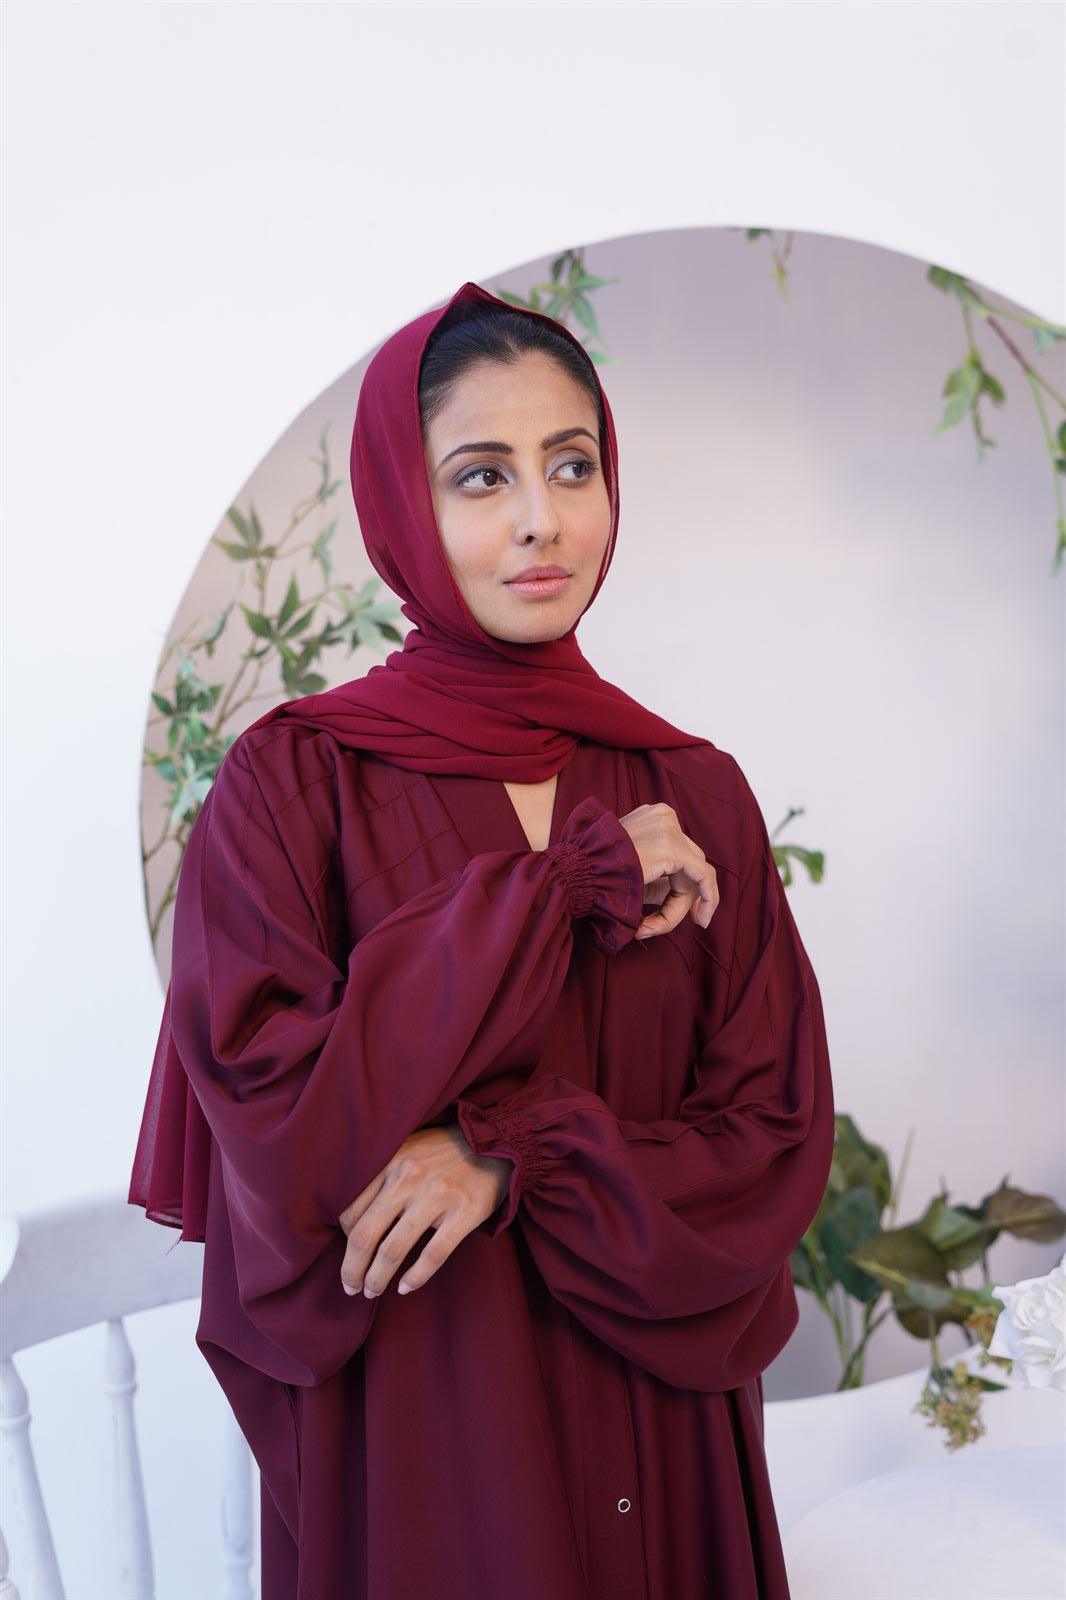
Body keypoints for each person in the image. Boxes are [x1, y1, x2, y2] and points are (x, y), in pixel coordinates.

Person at [129, 279, 836, 1599]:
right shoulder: (294, 784)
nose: (538, 520)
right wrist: (557, 890)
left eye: (572, 466)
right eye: (479, 476)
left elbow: (773, 1135)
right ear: (401, 502)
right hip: (430, 1429)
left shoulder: (695, 789)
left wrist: (512, 1160)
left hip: (660, 1419)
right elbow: (282, 1125)